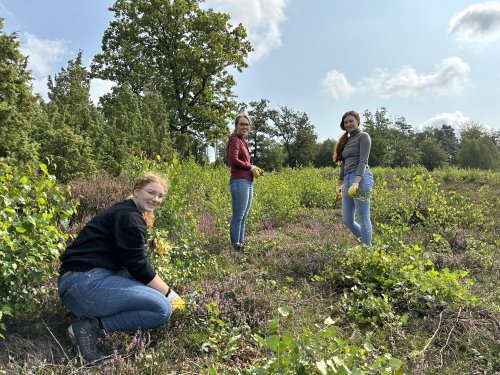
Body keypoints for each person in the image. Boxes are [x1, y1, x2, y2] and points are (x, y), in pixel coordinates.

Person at [58, 172, 185, 363]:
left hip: (78, 283)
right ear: (136, 191)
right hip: (83, 285)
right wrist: (171, 295)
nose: (156, 199)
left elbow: (132, 263)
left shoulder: (126, 212)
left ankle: (90, 321)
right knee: (161, 309)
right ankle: (89, 327)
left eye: (160, 196)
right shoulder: (129, 217)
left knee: (148, 287)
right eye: (151, 192)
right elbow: (139, 266)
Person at [333, 110, 374, 246]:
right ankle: (368, 246)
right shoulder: (346, 141)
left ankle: (368, 251)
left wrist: (356, 183)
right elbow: (343, 165)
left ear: (357, 121)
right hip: (348, 179)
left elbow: (363, 161)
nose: (349, 124)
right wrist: (339, 185)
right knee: (347, 220)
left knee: (363, 217)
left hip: (361, 179)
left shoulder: (364, 136)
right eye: (346, 122)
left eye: (351, 121)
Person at [226, 113, 263, 252]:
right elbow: (232, 160)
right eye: (241, 124)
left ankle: (240, 246)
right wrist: (250, 167)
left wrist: (254, 169)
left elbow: (243, 161)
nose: (244, 127)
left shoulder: (242, 141)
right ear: (236, 125)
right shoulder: (234, 140)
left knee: (244, 216)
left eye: (247, 125)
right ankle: (236, 248)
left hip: (247, 181)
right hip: (239, 181)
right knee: (238, 216)